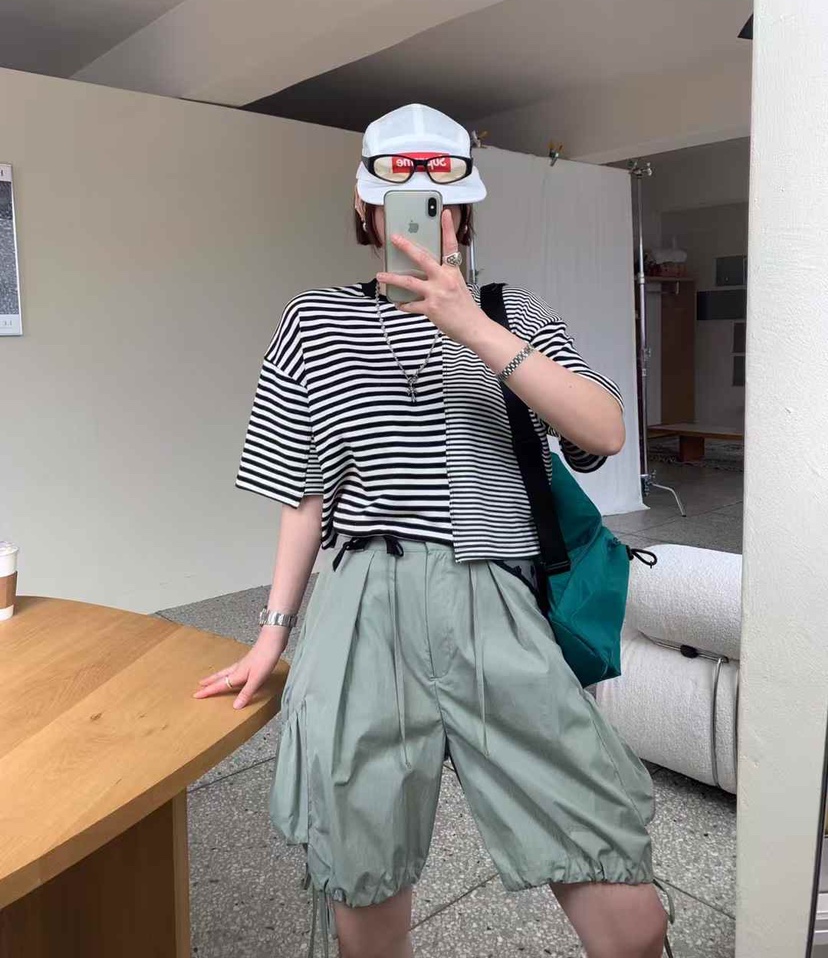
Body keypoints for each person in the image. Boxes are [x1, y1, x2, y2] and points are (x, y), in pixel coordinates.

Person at [194, 104, 673, 958]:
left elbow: (603, 430)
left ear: (464, 211)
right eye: (397, 193)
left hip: (494, 596)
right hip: (361, 606)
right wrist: (272, 632)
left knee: (630, 913)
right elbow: (303, 497)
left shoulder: (511, 309)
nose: (421, 212)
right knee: (365, 888)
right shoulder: (313, 320)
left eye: (441, 196)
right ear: (365, 207)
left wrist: (474, 327)